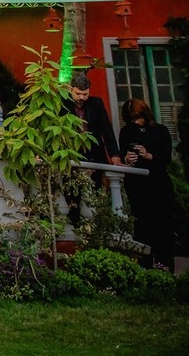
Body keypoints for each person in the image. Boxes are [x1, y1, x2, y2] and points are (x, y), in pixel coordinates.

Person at [119, 98, 175, 270]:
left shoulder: (160, 131)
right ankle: (144, 269)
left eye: (138, 118)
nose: (136, 122)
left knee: (163, 228)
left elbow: (166, 158)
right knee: (142, 228)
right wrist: (127, 159)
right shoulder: (126, 131)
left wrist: (149, 155)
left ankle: (164, 268)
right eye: (132, 119)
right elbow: (122, 154)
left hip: (158, 184)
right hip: (137, 186)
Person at [63, 72, 122, 166]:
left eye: (85, 94)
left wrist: (114, 155)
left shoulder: (96, 104)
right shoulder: (63, 104)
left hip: (95, 153)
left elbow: (106, 129)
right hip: (71, 152)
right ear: (71, 90)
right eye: (78, 93)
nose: (81, 97)